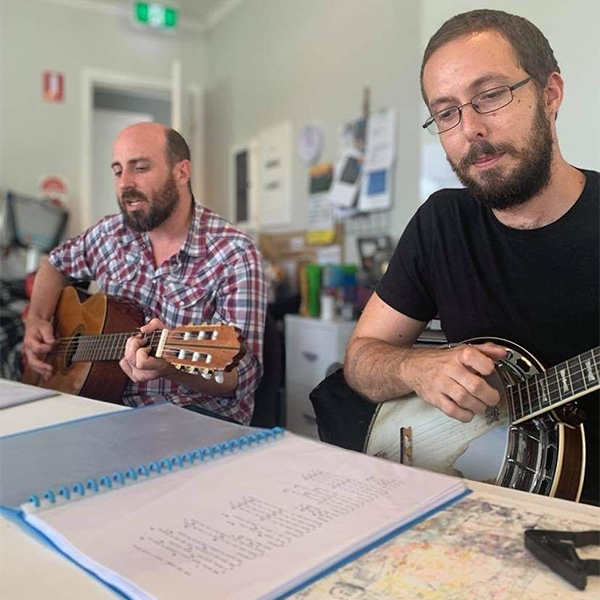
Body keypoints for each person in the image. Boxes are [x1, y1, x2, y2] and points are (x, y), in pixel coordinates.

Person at [344, 10, 599, 503]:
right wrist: (415, 369)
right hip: (470, 505)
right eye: (445, 112)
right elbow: (360, 360)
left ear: (550, 94)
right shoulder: (442, 222)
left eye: (490, 95)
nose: (470, 129)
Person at [23, 122, 267, 425]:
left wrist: (170, 367)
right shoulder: (109, 234)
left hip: (191, 422)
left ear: (181, 172)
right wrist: (37, 318)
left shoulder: (235, 254)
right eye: (117, 171)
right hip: (101, 410)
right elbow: (54, 264)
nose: (124, 183)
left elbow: (242, 376)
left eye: (139, 168)